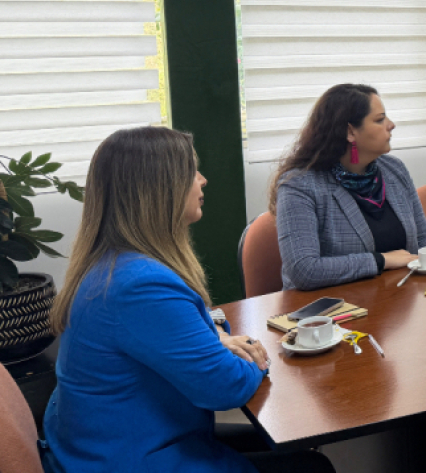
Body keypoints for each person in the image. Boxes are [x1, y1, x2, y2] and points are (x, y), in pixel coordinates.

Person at [41, 127, 334, 473]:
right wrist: (256, 356)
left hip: (103, 444)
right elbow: (227, 387)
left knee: (285, 444)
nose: (203, 180)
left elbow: (165, 332)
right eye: (192, 171)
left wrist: (216, 339)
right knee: (311, 466)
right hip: (133, 458)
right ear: (159, 188)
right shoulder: (141, 285)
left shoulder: (109, 266)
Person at [271, 84, 426, 291]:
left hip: (391, 299)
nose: (391, 125)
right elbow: (304, 270)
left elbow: (421, 239)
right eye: (380, 120)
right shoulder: (299, 186)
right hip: (327, 307)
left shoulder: (394, 170)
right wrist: (381, 260)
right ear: (350, 132)